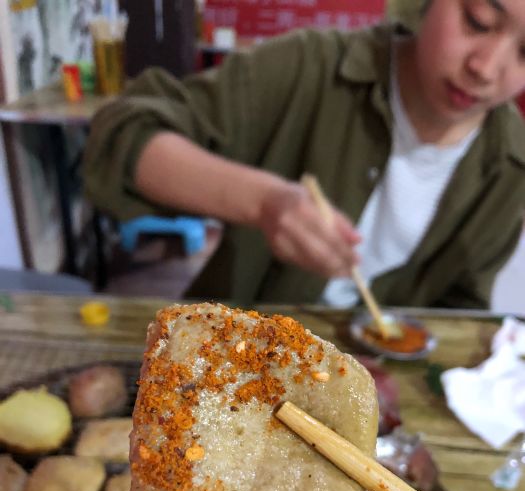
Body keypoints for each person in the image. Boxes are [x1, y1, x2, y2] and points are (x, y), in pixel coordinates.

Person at [84, 0, 525, 308]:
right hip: (234, 363)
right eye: (478, 20)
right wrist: (263, 202)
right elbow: (121, 137)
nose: (485, 69)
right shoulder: (313, 67)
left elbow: (460, 310)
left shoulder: (512, 165)